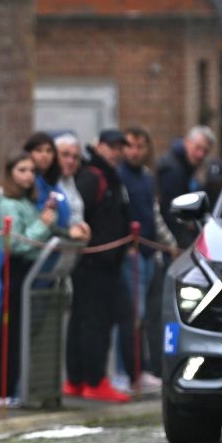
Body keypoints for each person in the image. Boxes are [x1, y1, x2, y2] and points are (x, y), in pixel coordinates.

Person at [0, 152, 84, 407]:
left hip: (31, 271)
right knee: (10, 332)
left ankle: (11, 388)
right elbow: (17, 244)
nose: (28, 176)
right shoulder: (7, 204)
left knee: (21, 332)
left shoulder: (26, 201)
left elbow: (38, 231)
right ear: (10, 174)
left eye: (32, 171)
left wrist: (64, 229)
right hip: (17, 272)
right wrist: (43, 225)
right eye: (22, 170)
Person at [65, 129, 133, 403]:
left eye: (120, 147)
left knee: (82, 320)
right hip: (95, 262)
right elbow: (80, 213)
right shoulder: (94, 176)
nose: (117, 152)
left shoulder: (108, 175)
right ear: (100, 146)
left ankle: (78, 379)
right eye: (112, 146)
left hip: (101, 261)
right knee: (96, 322)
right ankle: (94, 380)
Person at [116, 126, 175, 392]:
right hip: (132, 253)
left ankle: (141, 368)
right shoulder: (120, 176)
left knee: (146, 315)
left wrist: (167, 244)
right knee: (131, 316)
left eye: (140, 146)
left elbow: (154, 213)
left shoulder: (148, 177)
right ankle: (125, 371)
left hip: (151, 252)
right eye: (130, 146)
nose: (135, 152)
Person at [157, 125, 216, 249]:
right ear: (187, 142)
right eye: (197, 148)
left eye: (205, 151)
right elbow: (171, 212)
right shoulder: (173, 170)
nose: (200, 154)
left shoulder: (184, 165)